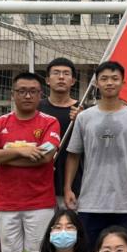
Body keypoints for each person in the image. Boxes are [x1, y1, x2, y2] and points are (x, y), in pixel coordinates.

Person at [0, 71, 60, 252]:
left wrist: (4, 156)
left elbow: (45, 157)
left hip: (40, 204)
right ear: (13, 94)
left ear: (40, 95)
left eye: (33, 91)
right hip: (6, 205)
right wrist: (21, 151)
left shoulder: (50, 122)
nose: (27, 96)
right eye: (22, 91)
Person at [65, 61, 127, 251]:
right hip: (90, 201)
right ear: (96, 83)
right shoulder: (84, 117)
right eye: (104, 79)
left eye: (115, 78)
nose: (110, 83)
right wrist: (68, 188)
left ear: (123, 82)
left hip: (124, 201)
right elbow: (74, 154)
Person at [38, 57, 81, 209]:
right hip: (41, 182)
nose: (61, 77)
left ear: (73, 81)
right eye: (56, 73)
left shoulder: (83, 110)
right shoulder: (36, 109)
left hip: (75, 185)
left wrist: (82, 121)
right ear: (47, 80)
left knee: (70, 224)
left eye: (66, 73)